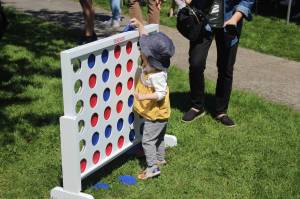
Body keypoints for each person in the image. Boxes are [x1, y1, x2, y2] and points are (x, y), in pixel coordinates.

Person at [182, 0, 254, 127]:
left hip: (230, 18)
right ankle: (197, 106)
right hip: (203, 18)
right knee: (195, 63)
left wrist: (235, 18)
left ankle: (221, 111)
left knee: (226, 67)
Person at [130, 18, 175, 180]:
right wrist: (141, 26)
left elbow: (161, 93)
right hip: (160, 113)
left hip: (156, 113)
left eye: (142, 49)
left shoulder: (156, 75)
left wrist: (143, 96)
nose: (140, 49)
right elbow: (147, 40)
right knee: (160, 136)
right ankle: (160, 158)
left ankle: (152, 168)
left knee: (148, 140)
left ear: (148, 56)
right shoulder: (153, 63)